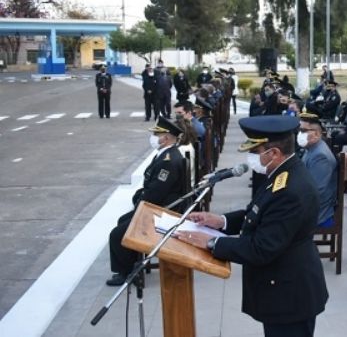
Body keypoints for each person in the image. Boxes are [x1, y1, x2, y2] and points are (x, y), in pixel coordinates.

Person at [177, 115, 327, 336]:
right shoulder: (281, 173)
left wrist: (212, 242)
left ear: (274, 153)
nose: (250, 158)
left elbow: (262, 248)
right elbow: (258, 213)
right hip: (283, 286)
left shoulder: (290, 189)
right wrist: (221, 221)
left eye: (255, 152)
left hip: (291, 294)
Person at [106, 117, 186, 286]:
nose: (154, 137)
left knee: (117, 234)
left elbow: (156, 193)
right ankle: (132, 264)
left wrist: (140, 201)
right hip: (156, 205)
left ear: (165, 138)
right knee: (122, 221)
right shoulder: (166, 155)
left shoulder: (169, 161)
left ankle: (126, 273)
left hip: (161, 211)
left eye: (157, 134)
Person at [296, 111, 338, 227]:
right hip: (308, 205)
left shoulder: (320, 156)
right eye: (299, 130)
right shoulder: (311, 148)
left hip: (318, 213)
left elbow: (315, 191)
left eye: (304, 131)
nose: (300, 134)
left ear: (317, 134)